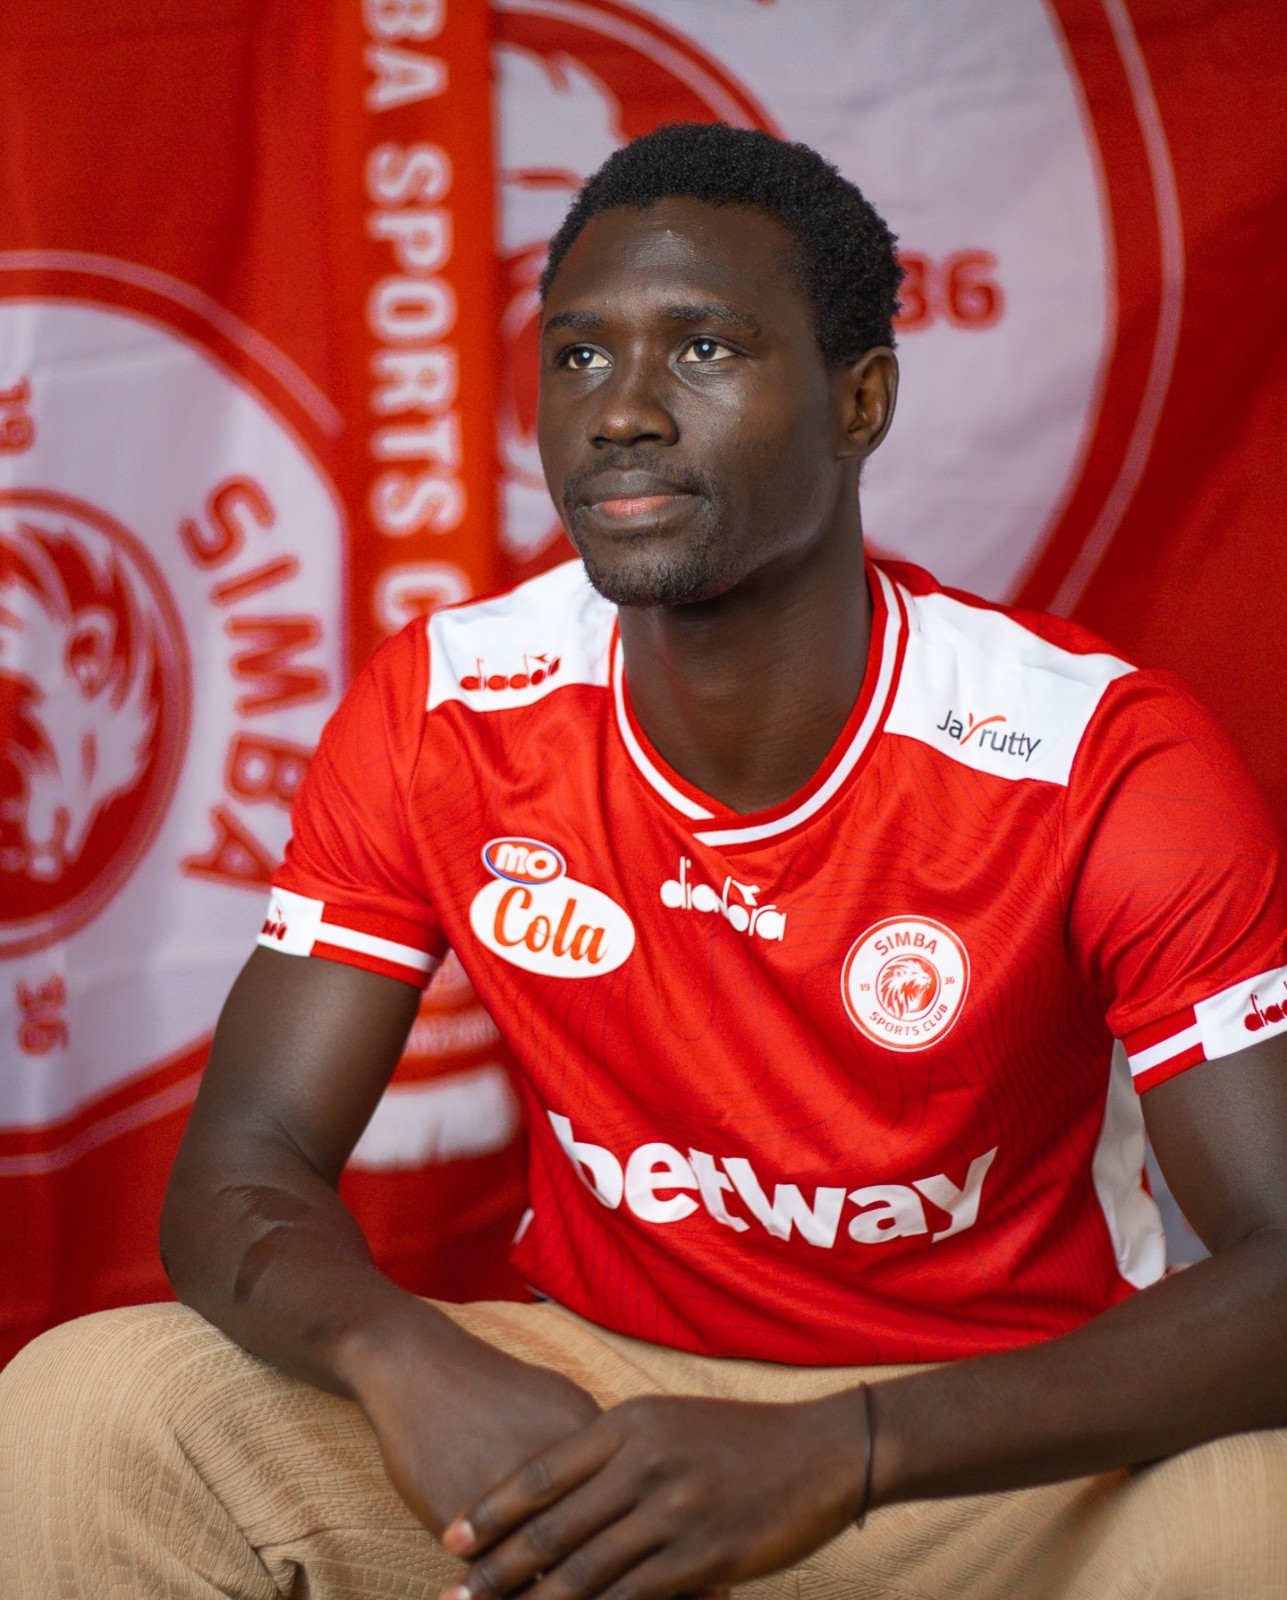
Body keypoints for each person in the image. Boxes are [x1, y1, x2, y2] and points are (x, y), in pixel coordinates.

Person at [2, 121, 1286, 1600]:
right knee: (89, 1411)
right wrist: (397, 1350)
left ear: (860, 401)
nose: (620, 411)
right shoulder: (445, 711)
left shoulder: (1096, 757)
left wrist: (850, 1448)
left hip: (992, 1451)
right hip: (608, 1413)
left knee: (1262, 1514)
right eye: (579, 356)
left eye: (704, 350)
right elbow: (244, 1157)